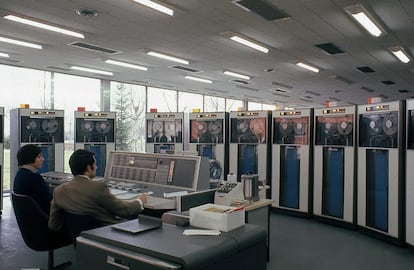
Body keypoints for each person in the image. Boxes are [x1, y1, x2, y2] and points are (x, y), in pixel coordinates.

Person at [49, 149, 147, 231]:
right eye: (95, 164)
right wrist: (140, 201)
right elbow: (123, 210)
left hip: (80, 238)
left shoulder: (58, 190)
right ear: (88, 167)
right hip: (107, 234)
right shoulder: (98, 187)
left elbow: (53, 224)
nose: (96, 167)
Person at [13, 144, 52, 214]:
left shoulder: (20, 174)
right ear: (30, 158)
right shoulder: (34, 178)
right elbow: (49, 200)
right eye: (39, 157)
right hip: (43, 218)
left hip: (30, 219)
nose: (43, 159)